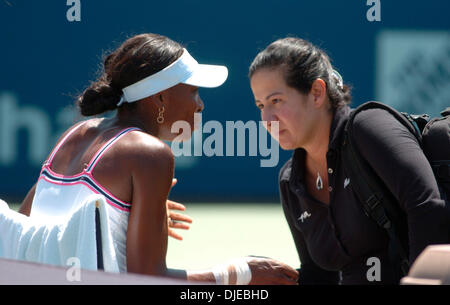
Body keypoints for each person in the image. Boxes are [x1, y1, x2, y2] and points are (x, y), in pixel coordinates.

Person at [17, 33, 298, 285]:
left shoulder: (75, 133)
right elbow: (149, 280)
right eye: (193, 91)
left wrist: (122, 215)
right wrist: (242, 273)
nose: (200, 104)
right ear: (160, 99)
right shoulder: (151, 154)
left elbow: (26, 228)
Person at [248, 37, 449, 284]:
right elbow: (320, 276)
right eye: (260, 105)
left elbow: (428, 207)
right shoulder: (290, 182)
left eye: (276, 101)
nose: (267, 118)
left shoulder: (368, 126)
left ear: (317, 93)